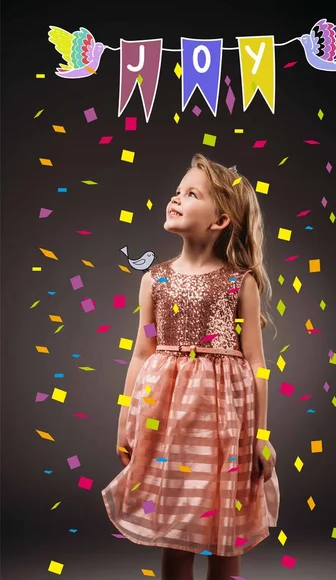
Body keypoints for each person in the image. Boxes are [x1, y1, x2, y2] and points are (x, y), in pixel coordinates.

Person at [101, 153, 280, 580]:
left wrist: (261, 436)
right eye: (177, 191)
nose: (176, 198)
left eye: (191, 193)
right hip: (166, 420)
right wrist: (126, 417)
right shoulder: (154, 279)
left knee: (225, 531)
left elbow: (257, 362)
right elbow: (142, 353)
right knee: (174, 530)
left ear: (219, 221)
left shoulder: (241, 280)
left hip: (225, 423)